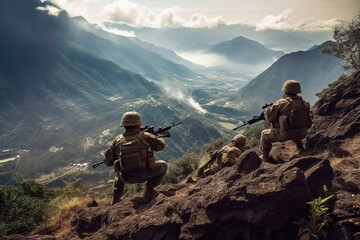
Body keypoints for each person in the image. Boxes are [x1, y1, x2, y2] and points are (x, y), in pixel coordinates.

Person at [103, 111, 168, 205]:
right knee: (164, 165)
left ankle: (115, 199)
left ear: (123, 125)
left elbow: (108, 162)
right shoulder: (146, 136)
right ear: (138, 124)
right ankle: (149, 192)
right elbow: (160, 146)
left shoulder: (117, 141)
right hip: (145, 174)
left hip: (126, 177)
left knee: (118, 171)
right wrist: (161, 136)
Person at [260, 80, 312, 163]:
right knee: (295, 123)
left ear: (285, 90)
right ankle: (300, 147)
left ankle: (265, 157)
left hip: (286, 135)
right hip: (303, 132)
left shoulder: (281, 103)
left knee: (264, 134)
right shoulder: (305, 102)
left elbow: (270, 119)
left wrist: (265, 114)